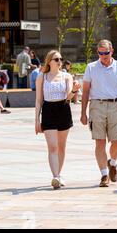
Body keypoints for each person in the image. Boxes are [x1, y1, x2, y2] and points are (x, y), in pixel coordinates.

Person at [80, 39, 117, 187]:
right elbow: (85, 92)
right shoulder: (91, 67)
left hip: (115, 105)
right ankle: (104, 174)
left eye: (106, 53)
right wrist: (83, 113)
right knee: (100, 141)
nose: (103, 55)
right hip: (97, 105)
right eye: (100, 53)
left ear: (112, 51)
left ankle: (113, 163)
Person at [35, 50, 81, 190]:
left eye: (60, 59)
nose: (59, 61)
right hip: (48, 110)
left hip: (63, 109)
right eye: (56, 59)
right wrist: (37, 119)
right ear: (49, 61)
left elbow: (68, 97)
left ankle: (59, 175)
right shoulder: (42, 77)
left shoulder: (66, 76)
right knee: (52, 147)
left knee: (61, 146)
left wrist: (74, 90)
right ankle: (55, 176)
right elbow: (38, 100)